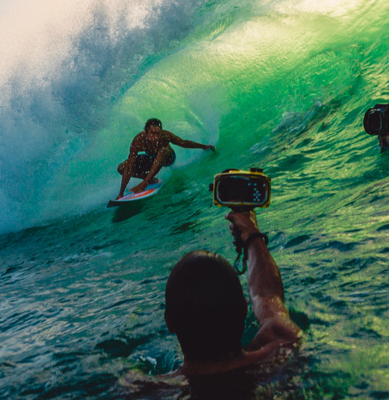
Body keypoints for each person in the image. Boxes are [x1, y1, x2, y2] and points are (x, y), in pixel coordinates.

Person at [164, 210, 302, 376]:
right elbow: (268, 298)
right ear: (244, 309)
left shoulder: (147, 392)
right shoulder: (284, 344)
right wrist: (251, 232)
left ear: (169, 322)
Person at [116, 118, 215, 199]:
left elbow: (183, 143)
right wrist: (121, 193)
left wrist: (204, 146)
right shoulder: (138, 140)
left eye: (158, 133)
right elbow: (129, 167)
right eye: (152, 133)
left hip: (168, 158)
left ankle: (145, 181)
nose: (156, 137)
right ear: (146, 132)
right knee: (122, 168)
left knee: (163, 150)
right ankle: (151, 180)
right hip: (152, 159)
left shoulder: (165, 136)